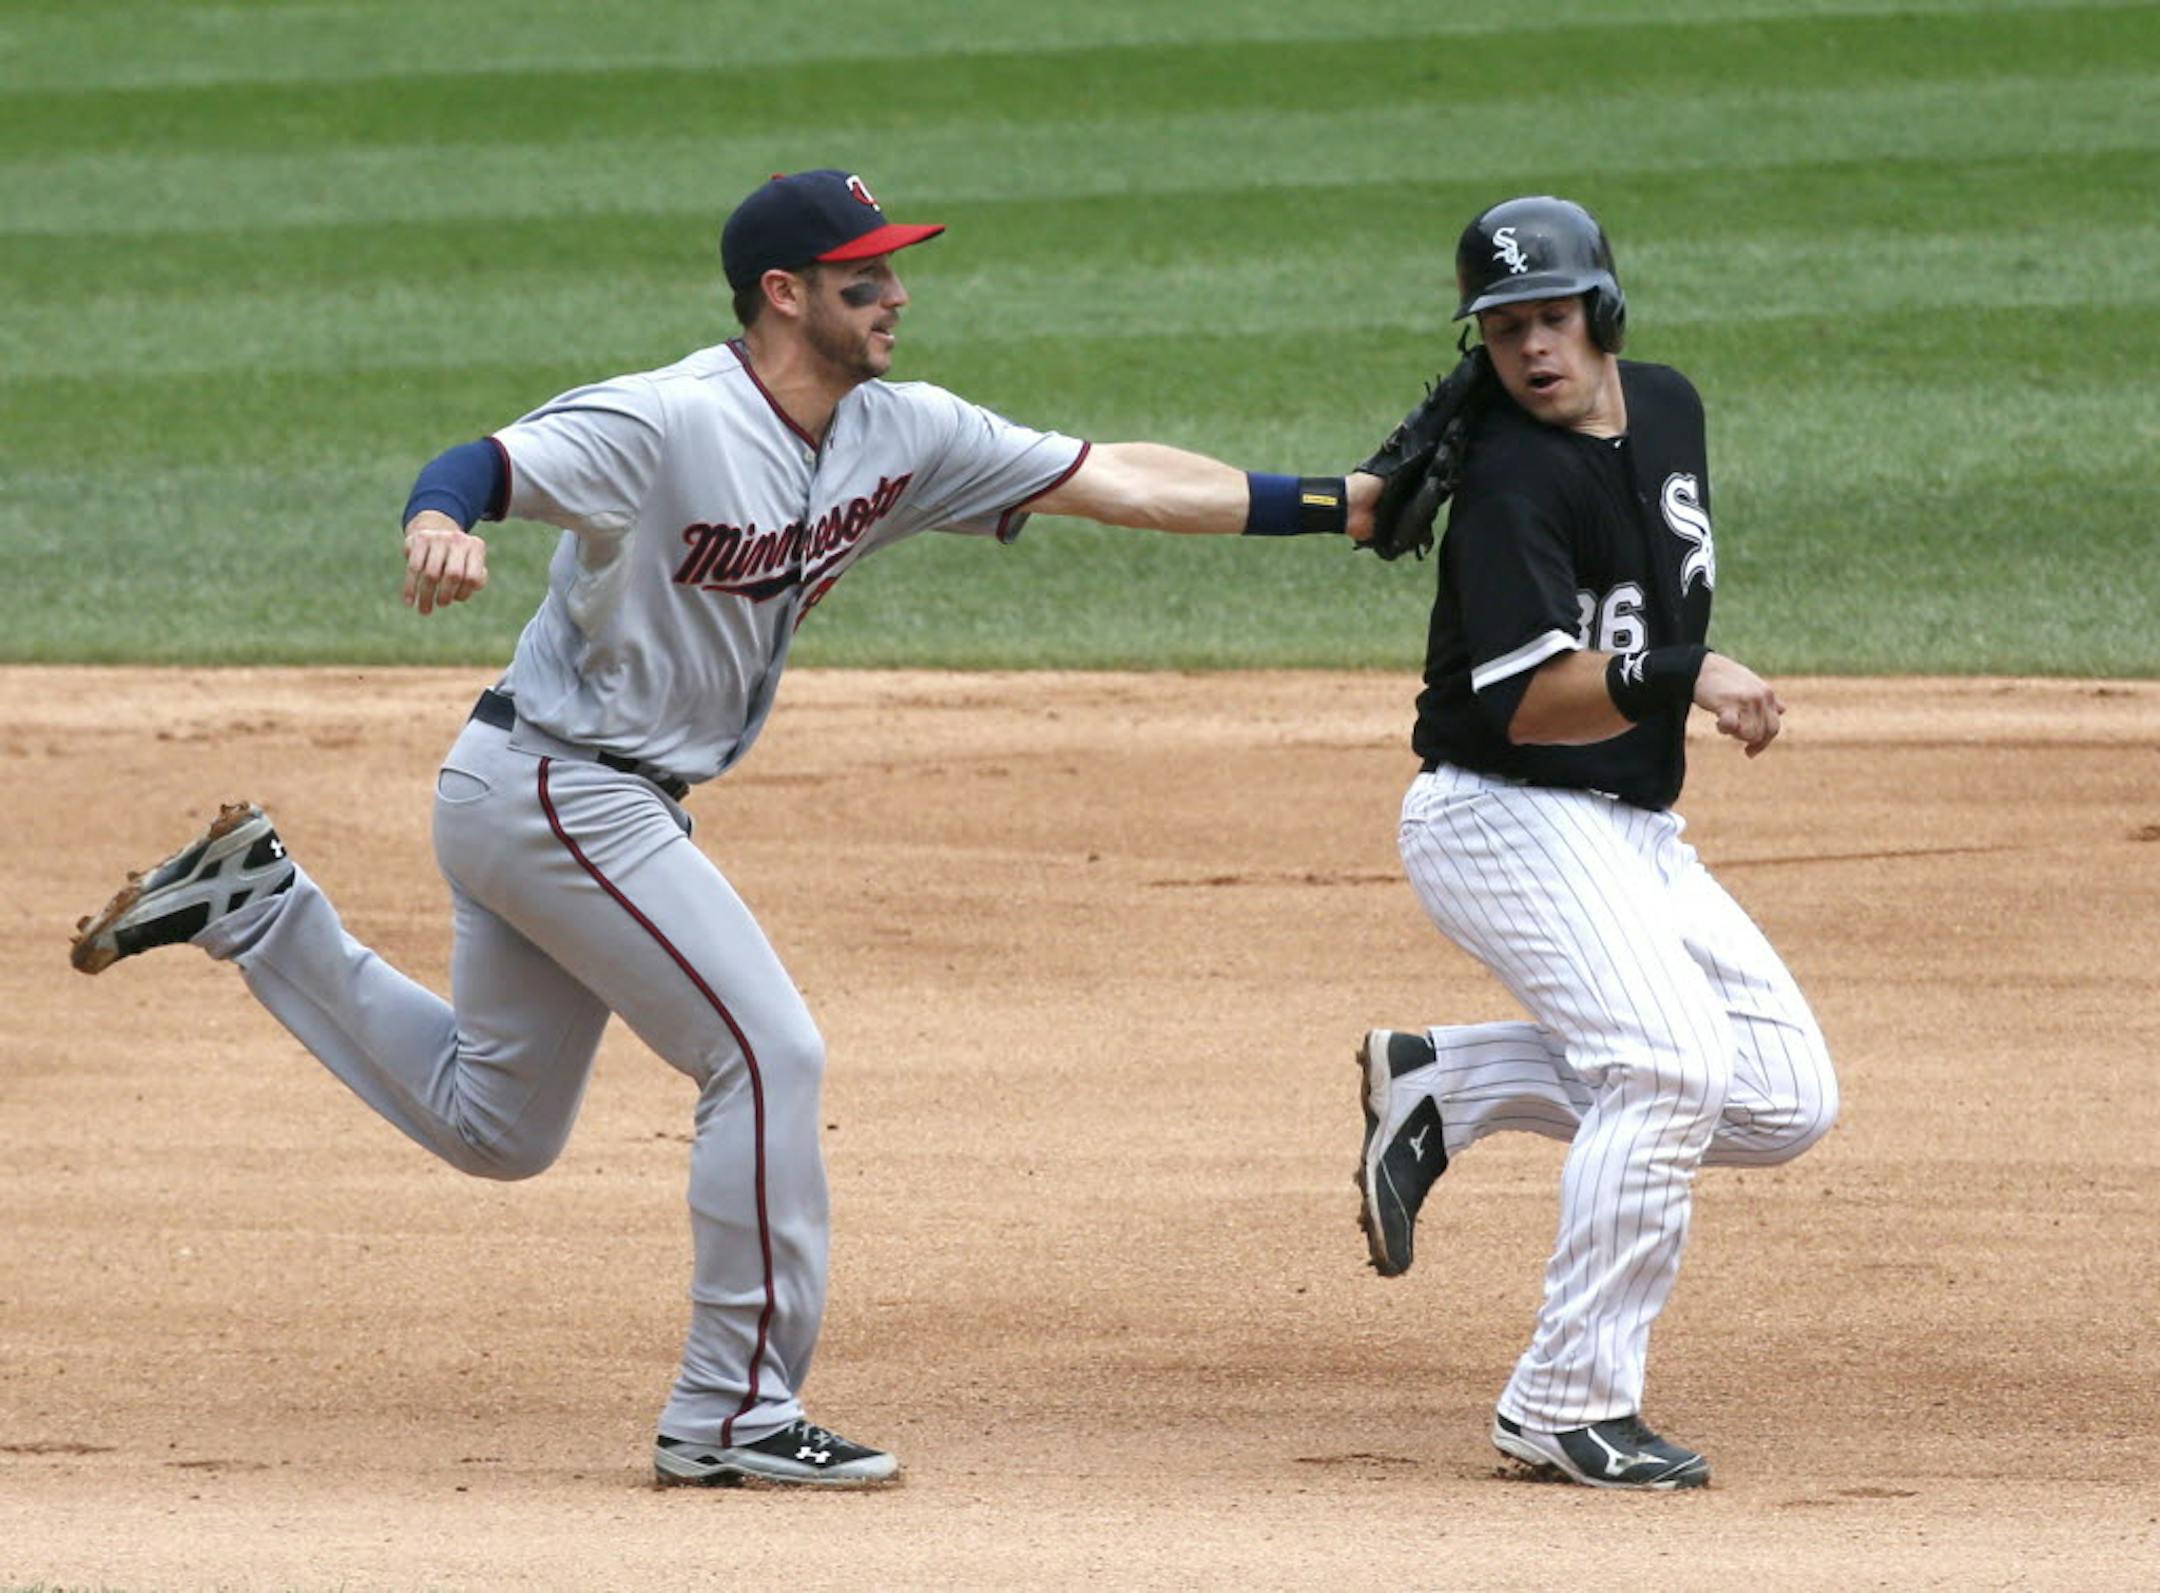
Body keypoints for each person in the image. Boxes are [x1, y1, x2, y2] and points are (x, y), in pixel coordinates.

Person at [69, 169, 1377, 1490]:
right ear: (784, 294)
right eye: (865, 277)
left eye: (895, 269)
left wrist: (1342, 503)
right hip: (556, 789)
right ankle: (732, 1410)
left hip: (555, 794)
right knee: (768, 1051)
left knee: (497, 1126)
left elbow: (1124, 480)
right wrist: (437, 524)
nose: (897, 294)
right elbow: (482, 463)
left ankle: (265, 909)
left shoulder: (901, 431)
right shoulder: (666, 420)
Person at [1350, 196, 1839, 1491]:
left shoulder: (1669, 407)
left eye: (1553, 318)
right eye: (1504, 329)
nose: (1533, 349)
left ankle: (1450, 1084)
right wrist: (1692, 669)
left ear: (1603, 312)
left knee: (1786, 1094)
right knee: (1671, 1066)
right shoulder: (1508, 483)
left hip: (1628, 825)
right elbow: (1532, 698)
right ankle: (1567, 1401)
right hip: (1498, 812)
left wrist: (1673, 673)